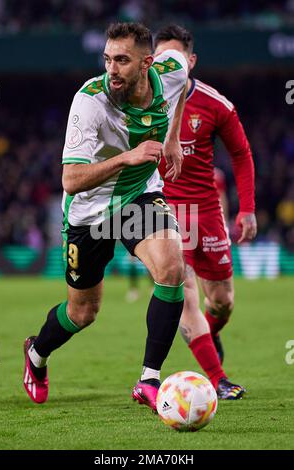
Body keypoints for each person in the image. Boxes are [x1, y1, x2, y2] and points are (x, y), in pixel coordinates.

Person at [23, 22, 189, 412]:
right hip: (89, 212)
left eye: (122, 60)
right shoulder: (90, 101)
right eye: (107, 59)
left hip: (139, 196)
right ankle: (36, 354)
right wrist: (127, 157)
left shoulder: (172, 69)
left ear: (148, 63)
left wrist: (173, 136)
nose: (111, 69)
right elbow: (70, 179)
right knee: (83, 313)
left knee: (171, 268)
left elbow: (185, 83)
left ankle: (149, 380)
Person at [155, 25, 257, 399]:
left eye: (176, 58)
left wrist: (246, 209)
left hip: (208, 212)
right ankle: (218, 378)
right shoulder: (142, 103)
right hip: (162, 211)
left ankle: (206, 334)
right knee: (184, 294)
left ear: (191, 61)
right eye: (161, 59)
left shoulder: (216, 104)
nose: (169, 66)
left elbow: (242, 155)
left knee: (223, 302)